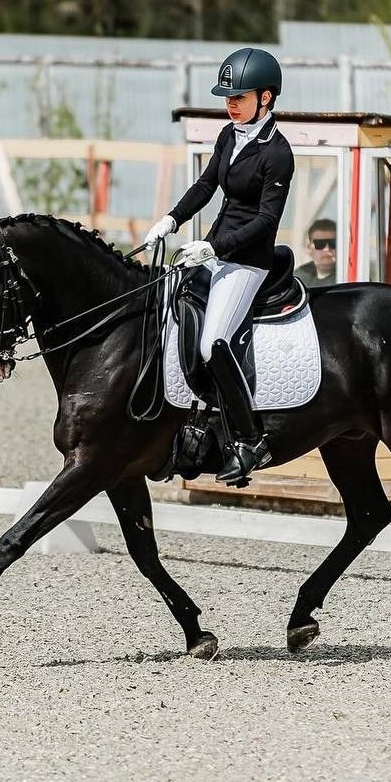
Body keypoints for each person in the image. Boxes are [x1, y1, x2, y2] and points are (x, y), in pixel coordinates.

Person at [143, 47, 294, 485]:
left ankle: (248, 442)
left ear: (265, 98)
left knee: (213, 343)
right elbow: (207, 184)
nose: (230, 103)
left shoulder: (278, 153)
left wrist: (213, 250)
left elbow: (267, 220)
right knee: (171, 311)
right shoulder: (230, 135)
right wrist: (172, 219)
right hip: (215, 248)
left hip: (248, 262)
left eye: (239, 96)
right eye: (227, 96)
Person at [295, 219, 338, 287]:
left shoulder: (346, 276)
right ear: (309, 248)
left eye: (332, 243)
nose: (327, 249)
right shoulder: (298, 278)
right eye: (320, 244)